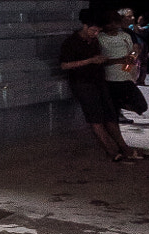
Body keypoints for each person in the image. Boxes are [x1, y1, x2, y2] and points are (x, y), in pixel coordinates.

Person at [60, 15, 143, 162]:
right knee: (95, 118)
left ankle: (124, 148)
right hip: (83, 83)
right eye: (93, 30)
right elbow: (65, 65)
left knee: (110, 115)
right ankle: (111, 151)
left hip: (99, 81)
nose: (96, 33)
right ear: (85, 26)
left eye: (98, 31)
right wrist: (90, 61)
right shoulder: (72, 42)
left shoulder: (95, 41)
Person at [97, 13, 146, 125]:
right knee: (114, 100)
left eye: (115, 22)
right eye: (110, 23)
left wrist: (130, 60)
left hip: (125, 76)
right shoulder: (100, 37)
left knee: (141, 105)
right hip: (110, 77)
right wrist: (118, 60)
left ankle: (116, 108)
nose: (113, 25)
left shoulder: (125, 35)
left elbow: (134, 50)